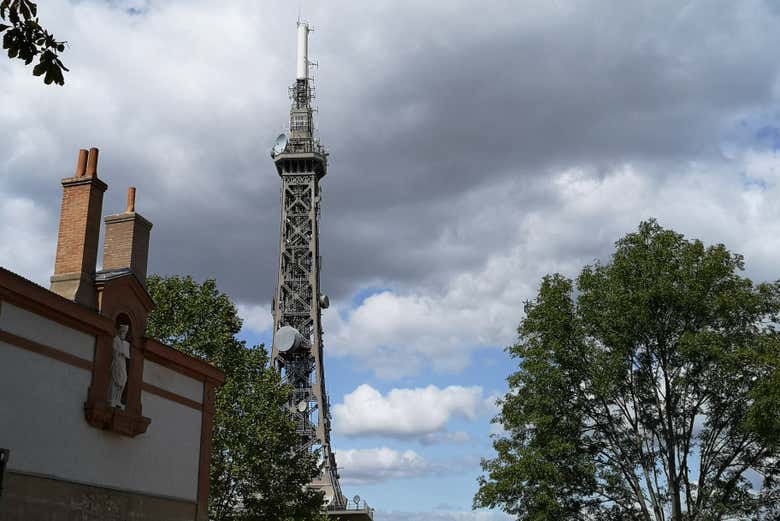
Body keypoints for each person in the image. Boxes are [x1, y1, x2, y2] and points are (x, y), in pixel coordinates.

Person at [109, 324, 131, 409]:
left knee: (124, 380)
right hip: (117, 362)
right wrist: (120, 351)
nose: (125, 333)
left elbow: (127, 354)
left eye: (126, 332)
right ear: (121, 331)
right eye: (124, 331)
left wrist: (125, 353)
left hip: (122, 362)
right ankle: (112, 399)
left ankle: (118, 400)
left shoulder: (125, 343)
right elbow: (114, 349)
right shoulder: (116, 339)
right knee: (115, 380)